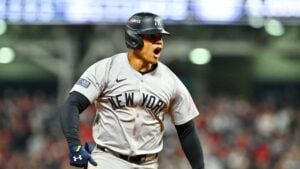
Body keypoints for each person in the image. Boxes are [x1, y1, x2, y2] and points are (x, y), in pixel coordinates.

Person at [60, 12, 205, 169]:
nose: (159, 43)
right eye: (152, 37)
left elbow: (186, 130)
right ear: (134, 39)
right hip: (108, 160)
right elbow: (72, 104)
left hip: (149, 163)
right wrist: (75, 145)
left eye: (160, 38)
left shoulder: (171, 80)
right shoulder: (106, 69)